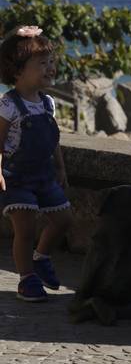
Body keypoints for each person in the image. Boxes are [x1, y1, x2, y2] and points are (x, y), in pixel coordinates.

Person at [0, 25, 71, 302]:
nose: (50, 68)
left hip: (45, 175)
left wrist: (61, 167)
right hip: (16, 177)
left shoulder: (48, 103)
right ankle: (26, 278)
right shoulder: (8, 105)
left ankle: (41, 258)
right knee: (25, 229)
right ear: (17, 71)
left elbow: (53, 139)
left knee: (64, 219)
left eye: (51, 62)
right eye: (42, 63)